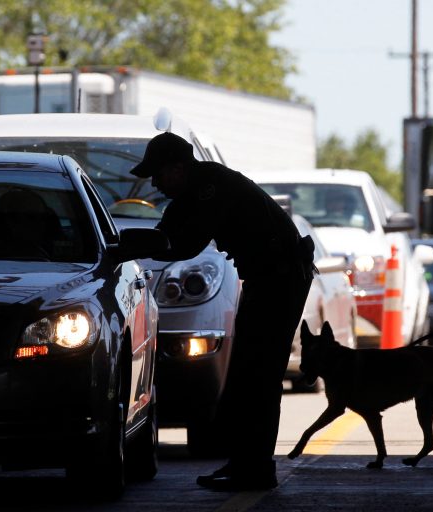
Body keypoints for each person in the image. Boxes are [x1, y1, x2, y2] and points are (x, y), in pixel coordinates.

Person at [129, 132, 317, 491]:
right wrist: (127, 244)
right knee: (248, 374)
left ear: (179, 168)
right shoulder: (194, 190)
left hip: (281, 279)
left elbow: (184, 244)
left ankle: (256, 469)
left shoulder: (210, 189)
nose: (154, 182)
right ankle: (245, 463)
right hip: (268, 279)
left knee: (259, 376)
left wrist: (126, 251)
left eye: (158, 174)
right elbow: (165, 233)